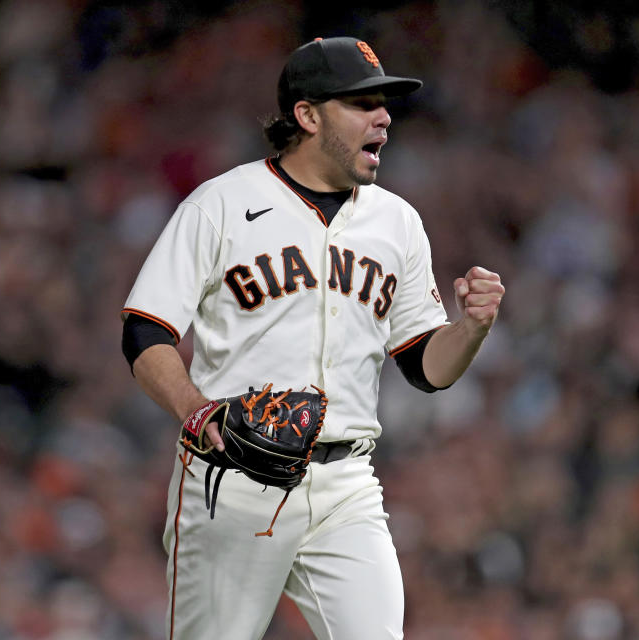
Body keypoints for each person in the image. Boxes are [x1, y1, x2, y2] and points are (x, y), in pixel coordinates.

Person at [120, 36, 504, 640]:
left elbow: (425, 368)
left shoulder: (397, 221)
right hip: (233, 478)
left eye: (384, 104)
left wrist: (470, 329)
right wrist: (194, 411)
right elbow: (145, 333)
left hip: (346, 484)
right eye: (362, 103)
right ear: (307, 115)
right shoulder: (221, 204)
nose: (383, 117)